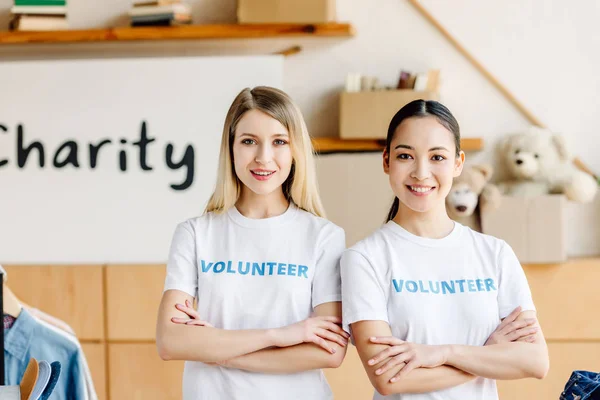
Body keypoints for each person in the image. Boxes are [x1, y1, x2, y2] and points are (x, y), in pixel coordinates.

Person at [340, 99, 549, 399]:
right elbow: (388, 379)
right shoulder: (364, 259)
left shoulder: (494, 253)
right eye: (405, 156)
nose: (421, 173)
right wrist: (487, 355)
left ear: (458, 163)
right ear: (386, 161)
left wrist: (443, 353)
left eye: (437, 157)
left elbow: (535, 361)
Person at [156, 86, 348, 400]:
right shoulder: (194, 234)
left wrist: (217, 350)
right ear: (230, 148)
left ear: (295, 149)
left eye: (279, 142)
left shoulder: (324, 236)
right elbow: (170, 342)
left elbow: (328, 352)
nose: (263, 157)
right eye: (249, 141)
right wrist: (283, 335)